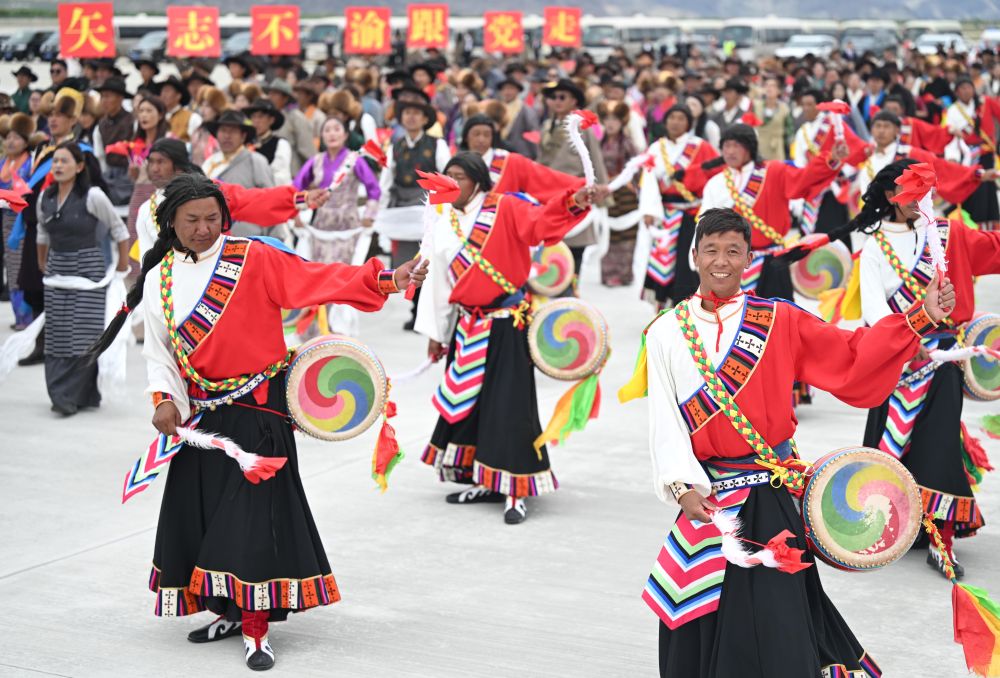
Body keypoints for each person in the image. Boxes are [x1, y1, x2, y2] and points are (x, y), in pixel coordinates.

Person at [85, 172, 426, 672]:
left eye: (212, 218)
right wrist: (164, 399)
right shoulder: (158, 280)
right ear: (170, 223)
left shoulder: (253, 258)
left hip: (259, 413)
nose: (204, 228)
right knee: (208, 518)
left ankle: (256, 627)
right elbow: (160, 355)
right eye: (192, 220)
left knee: (252, 525)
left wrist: (386, 279)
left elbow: (317, 278)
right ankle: (227, 611)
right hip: (202, 419)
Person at [624, 207, 955, 678]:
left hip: (772, 495)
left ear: (749, 258)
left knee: (779, 620)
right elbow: (664, 418)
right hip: (709, 496)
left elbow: (851, 353)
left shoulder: (778, 318)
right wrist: (681, 488)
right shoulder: (664, 331)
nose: (722, 261)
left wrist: (918, 317)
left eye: (733, 251)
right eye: (711, 250)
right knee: (696, 616)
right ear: (694, 255)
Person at [415, 152, 602, 525]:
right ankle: (484, 481)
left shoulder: (506, 207)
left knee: (509, 409)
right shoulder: (443, 220)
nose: (452, 183)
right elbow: (437, 280)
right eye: (448, 176)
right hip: (467, 327)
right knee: (473, 408)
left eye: (459, 176)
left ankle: (515, 489)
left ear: (478, 181)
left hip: (505, 324)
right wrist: (437, 333)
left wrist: (572, 201)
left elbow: (541, 224)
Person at [856, 160, 1000, 578]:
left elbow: (994, 248)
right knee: (889, 446)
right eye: (910, 192)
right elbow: (873, 309)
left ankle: (942, 537)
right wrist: (906, 340)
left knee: (939, 446)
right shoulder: (874, 246)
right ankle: (892, 521)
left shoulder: (949, 234)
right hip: (895, 358)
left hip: (942, 360)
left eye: (925, 191)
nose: (920, 200)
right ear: (890, 196)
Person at [698, 123, 849, 298]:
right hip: (731, 263)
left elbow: (805, 178)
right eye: (727, 146)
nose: (731, 151)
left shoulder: (774, 171)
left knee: (777, 313)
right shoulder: (716, 183)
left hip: (772, 262)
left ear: (750, 148)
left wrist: (831, 159)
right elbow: (704, 224)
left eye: (737, 145)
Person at [36, 142, 129, 415]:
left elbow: (118, 229)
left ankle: (77, 395)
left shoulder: (93, 196)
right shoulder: (45, 198)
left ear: (79, 167)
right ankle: (61, 393)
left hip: (88, 271)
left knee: (83, 334)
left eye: (64, 161)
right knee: (57, 334)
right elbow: (42, 232)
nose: (58, 166)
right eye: (55, 161)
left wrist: (122, 264)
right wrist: (42, 262)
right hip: (57, 270)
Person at [134, 138, 331, 260]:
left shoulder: (206, 193)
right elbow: (146, 258)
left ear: (178, 165)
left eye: (161, 162)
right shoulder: (146, 209)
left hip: (214, 281)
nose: (154, 169)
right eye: (151, 162)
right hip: (167, 290)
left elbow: (253, 201)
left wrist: (301, 199)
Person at [292, 116, 381, 335]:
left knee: (342, 279)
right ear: (322, 136)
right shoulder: (316, 161)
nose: (332, 133)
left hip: (348, 227)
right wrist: (296, 212)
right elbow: (295, 188)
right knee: (319, 279)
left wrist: (369, 215)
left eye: (336, 129)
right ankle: (318, 329)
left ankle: (340, 330)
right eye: (327, 130)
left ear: (345, 135)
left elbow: (374, 189)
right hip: (321, 227)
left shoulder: (355, 160)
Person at [378, 96, 450, 330]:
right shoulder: (395, 146)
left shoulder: (437, 145)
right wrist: (381, 212)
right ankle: (415, 309)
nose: (411, 117)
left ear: (425, 119)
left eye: (416, 113)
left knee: (430, 261)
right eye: (407, 113)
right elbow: (386, 181)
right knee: (408, 261)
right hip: (403, 211)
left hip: (429, 208)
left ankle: (425, 311)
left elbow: (447, 178)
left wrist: (445, 211)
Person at [639, 104, 720, 309]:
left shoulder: (701, 146)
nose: (675, 122)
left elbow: (718, 176)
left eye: (681, 118)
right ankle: (662, 304)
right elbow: (648, 180)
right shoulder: (656, 148)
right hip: (664, 213)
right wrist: (649, 210)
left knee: (688, 261)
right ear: (665, 121)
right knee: (663, 258)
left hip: (692, 214)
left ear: (689, 123)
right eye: (672, 117)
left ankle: (687, 305)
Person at [537, 79, 609, 277]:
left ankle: (572, 289)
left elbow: (595, 159)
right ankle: (552, 289)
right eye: (553, 97)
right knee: (549, 250)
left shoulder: (582, 128)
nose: (557, 101)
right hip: (549, 195)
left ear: (574, 101)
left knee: (574, 249)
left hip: (574, 193)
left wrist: (602, 190)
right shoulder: (547, 126)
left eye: (562, 97)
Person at [202, 110, 276, 238]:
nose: (227, 136)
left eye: (233, 131)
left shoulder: (256, 160)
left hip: (248, 235)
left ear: (243, 136)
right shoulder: (210, 163)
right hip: (213, 235)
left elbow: (271, 199)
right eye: (223, 130)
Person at [943, 76, 1000, 231]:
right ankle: (972, 226)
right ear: (956, 92)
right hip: (967, 155)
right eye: (962, 88)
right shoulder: (952, 110)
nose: (966, 91)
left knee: (988, 188)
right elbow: (949, 135)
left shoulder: (984, 102)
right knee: (973, 188)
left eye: (969, 87)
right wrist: (952, 156)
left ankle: (990, 226)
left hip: (986, 153)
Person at [597, 101, 642, 286]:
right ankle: (608, 273)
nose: (610, 123)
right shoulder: (599, 143)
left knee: (625, 234)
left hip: (625, 193)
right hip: (605, 193)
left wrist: (624, 181)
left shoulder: (628, 144)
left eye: (614, 119)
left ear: (622, 122)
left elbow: (637, 168)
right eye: (607, 119)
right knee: (607, 233)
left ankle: (624, 274)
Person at [1, 112, 34, 328]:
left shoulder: (30, 163)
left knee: (23, 265)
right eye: (8, 137)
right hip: (6, 219)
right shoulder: (3, 163)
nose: (11, 141)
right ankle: (18, 316)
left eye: (16, 137)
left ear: (25, 141)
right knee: (11, 266)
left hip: (24, 220)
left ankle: (27, 316)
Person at [93, 77, 136, 206]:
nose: (104, 101)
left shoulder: (133, 122)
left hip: (129, 174)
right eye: (102, 97)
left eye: (107, 96)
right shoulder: (101, 125)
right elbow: (100, 156)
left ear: (120, 98)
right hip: (108, 173)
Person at [266, 79, 314, 175]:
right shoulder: (269, 117)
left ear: (285, 98)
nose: (270, 97)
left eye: (275, 94)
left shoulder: (297, 117)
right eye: (270, 93)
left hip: (292, 173)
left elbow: (307, 149)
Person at [246, 99, 292, 186]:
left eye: (260, 117)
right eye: (253, 117)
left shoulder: (280, 144)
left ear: (271, 120)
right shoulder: (246, 143)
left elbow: (281, 176)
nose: (256, 121)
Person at [496, 77, 539, 158]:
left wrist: (534, 154)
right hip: (500, 152)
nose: (507, 92)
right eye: (504, 89)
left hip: (520, 153)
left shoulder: (525, 110)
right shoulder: (497, 108)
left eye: (511, 89)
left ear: (518, 91)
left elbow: (533, 133)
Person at [156, 76, 202, 143]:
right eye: (162, 91)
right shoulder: (157, 117)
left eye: (167, 91)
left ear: (178, 96)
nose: (163, 95)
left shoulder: (192, 118)